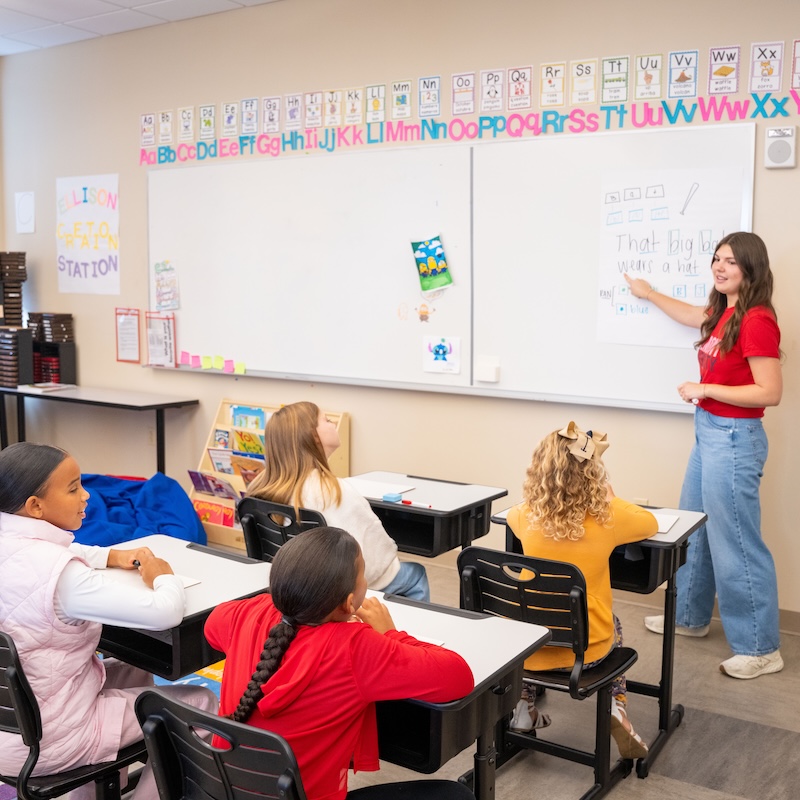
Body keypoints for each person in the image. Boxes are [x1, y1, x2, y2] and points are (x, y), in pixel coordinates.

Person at [0, 442, 217, 800]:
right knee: (200, 703)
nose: (86, 496)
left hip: (14, 725)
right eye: (73, 489)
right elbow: (164, 611)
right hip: (50, 740)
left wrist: (112, 555)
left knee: (133, 670)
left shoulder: (15, 539)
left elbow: (61, 549)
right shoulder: (65, 579)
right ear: (35, 506)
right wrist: (163, 576)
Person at [204, 526, 474, 800]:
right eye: (363, 575)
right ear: (348, 603)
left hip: (224, 791)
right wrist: (390, 634)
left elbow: (212, 628)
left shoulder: (249, 612)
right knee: (455, 794)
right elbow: (459, 677)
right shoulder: (354, 647)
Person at [625, 231, 783, 680]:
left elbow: (769, 392)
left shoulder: (756, 319)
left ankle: (760, 646)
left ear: (750, 266)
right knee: (693, 524)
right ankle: (690, 618)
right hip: (710, 430)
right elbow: (690, 313)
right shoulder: (724, 312)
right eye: (716, 258)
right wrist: (649, 293)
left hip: (735, 435)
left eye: (730, 261)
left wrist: (706, 389)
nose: (720, 266)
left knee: (736, 540)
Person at [507, 422, 657, 759]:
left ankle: (522, 705)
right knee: (613, 624)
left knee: (531, 618)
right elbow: (650, 523)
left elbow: (521, 510)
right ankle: (617, 708)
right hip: (588, 655)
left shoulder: (524, 516)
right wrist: (609, 494)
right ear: (593, 472)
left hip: (530, 654)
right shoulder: (609, 516)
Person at [245, 401, 430, 601]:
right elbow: (375, 559)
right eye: (326, 420)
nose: (333, 423)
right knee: (416, 574)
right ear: (313, 436)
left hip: (297, 587)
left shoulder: (260, 488)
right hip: (336, 591)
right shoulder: (333, 490)